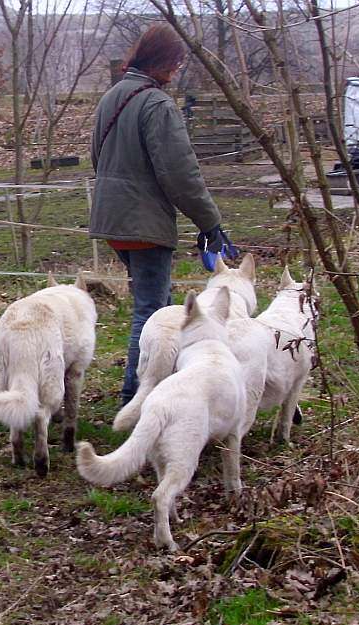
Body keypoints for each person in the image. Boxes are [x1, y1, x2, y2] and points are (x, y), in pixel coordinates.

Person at [89, 24, 230, 406]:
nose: (178, 70)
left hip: (113, 218)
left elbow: (97, 159)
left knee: (159, 302)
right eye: (177, 63)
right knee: (151, 312)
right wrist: (209, 222)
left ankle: (162, 384)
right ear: (165, 61)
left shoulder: (112, 97)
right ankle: (135, 397)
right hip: (143, 222)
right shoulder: (157, 104)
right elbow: (180, 173)